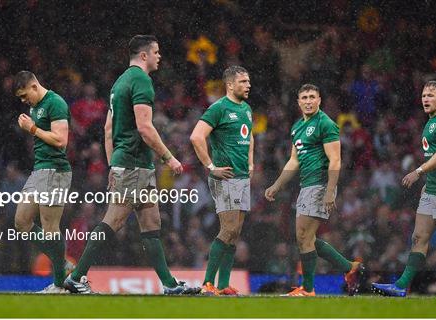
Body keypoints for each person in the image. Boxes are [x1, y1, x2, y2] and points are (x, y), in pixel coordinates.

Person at [63, 35, 198, 295]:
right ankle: (77, 276)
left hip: (131, 163)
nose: (160, 56)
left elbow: (108, 128)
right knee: (113, 220)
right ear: (144, 55)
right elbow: (145, 127)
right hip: (135, 164)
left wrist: (114, 163)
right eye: (156, 52)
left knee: (151, 223)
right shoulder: (141, 81)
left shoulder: (119, 83)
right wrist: (169, 157)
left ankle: (169, 285)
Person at [372, 81, 436, 298]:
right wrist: (428, 181)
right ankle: (401, 286)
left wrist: (418, 172)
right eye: (423, 95)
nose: (425, 99)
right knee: (419, 237)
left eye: (430, 95)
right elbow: (434, 156)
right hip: (433, 189)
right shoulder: (430, 122)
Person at [264, 84, 364, 297]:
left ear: (319, 100)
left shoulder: (325, 123)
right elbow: (293, 160)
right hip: (306, 184)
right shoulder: (297, 127)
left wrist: (330, 190)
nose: (308, 101)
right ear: (298, 102)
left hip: (320, 183)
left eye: (312, 97)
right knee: (304, 237)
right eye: (304, 97)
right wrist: (277, 185)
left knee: (304, 236)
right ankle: (349, 267)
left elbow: (335, 159)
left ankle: (308, 289)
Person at [190, 65, 254, 296]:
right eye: (243, 82)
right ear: (230, 85)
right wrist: (211, 167)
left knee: (235, 232)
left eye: (248, 81)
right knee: (227, 230)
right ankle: (207, 283)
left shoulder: (246, 109)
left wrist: (251, 163)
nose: (248, 85)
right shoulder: (218, 108)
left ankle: (223, 284)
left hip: (241, 177)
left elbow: (249, 136)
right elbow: (196, 136)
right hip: (225, 177)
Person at [13, 71, 72, 293]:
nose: (23, 100)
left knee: (50, 230)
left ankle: (59, 285)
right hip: (39, 170)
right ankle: (62, 263)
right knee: (21, 222)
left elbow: (61, 140)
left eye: (24, 95)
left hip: (55, 170)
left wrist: (33, 129)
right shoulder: (34, 107)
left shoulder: (55, 102)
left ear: (34, 86)